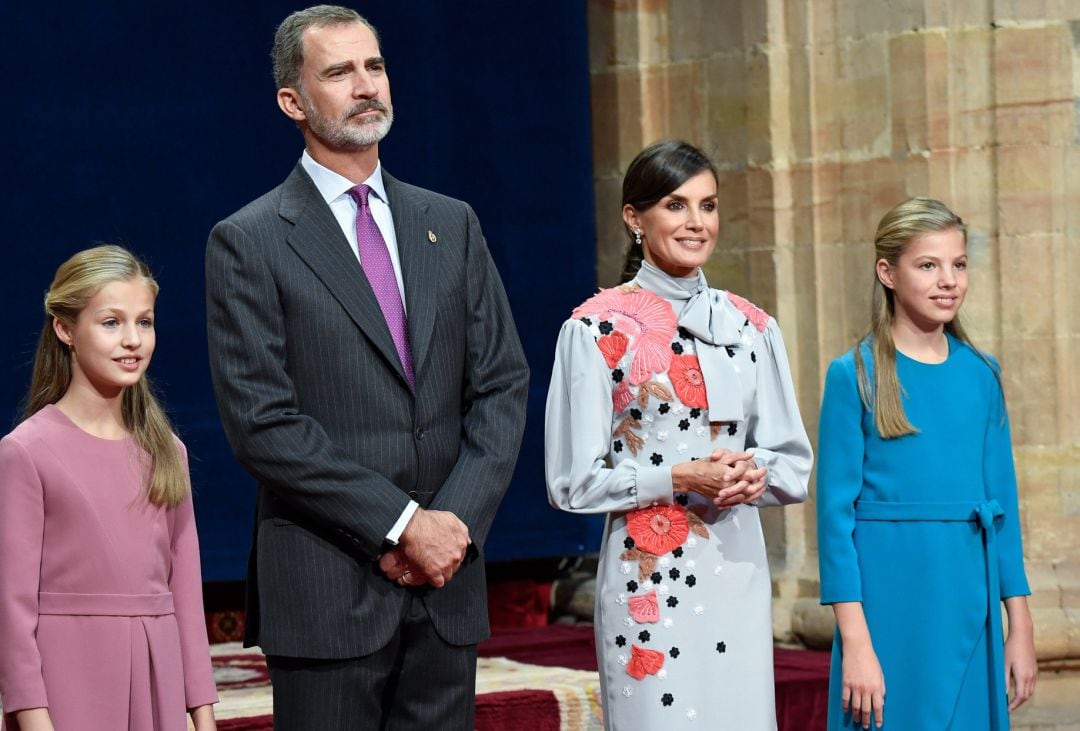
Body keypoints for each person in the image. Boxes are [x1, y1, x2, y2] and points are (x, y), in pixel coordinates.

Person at [204, 5, 529, 729]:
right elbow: (263, 424)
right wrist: (402, 524)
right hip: (328, 592)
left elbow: (503, 384)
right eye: (339, 71)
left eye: (374, 66)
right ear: (292, 100)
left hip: (446, 587)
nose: (365, 86)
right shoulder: (249, 241)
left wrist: (453, 526)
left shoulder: (452, 223)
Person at [545, 139, 813, 729]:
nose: (697, 222)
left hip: (737, 572)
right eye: (676, 204)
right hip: (650, 587)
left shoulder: (752, 326)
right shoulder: (596, 329)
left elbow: (794, 463)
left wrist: (755, 473)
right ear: (634, 218)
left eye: (708, 205)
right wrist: (679, 476)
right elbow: (572, 484)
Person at [816, 197, 1037, 729]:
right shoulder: (856, 375)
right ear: (887, 273)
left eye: (958, 265)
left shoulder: (983, 374)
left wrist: (1020, 627)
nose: (948, 281)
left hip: (967, 597)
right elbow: (833, 520)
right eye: (928, 265)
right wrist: (856, 644)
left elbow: (1002, 507)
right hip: (889, 605)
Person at [0, 245, 217, 731]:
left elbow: (184, 594)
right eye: (111, 322)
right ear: (65, 329)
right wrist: (34, 721)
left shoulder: (167, 452)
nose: (133, 340)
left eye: (145, 322)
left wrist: (202, 716)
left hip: (156, 680)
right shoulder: (26, 452)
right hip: (69, 687)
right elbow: (12, 610)